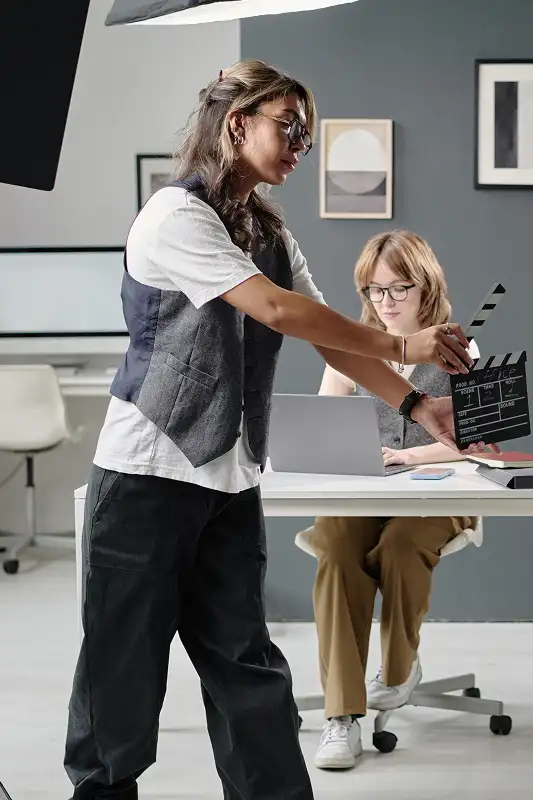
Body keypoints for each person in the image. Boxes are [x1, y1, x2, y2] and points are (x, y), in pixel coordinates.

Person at [64, 60, 491, 800]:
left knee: (248, 666)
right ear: (238, 124)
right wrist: (405, 345)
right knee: (123, 673)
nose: (301, 145)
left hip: (228, 478)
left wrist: (422, 407)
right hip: (145, 474)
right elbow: (278, 314)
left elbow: (330, 336)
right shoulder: (176, 216)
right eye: (288, 128)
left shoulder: (266, 228)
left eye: (308, 136)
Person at [306, 231, 478, 770]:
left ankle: (400, 670)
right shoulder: (352, 351)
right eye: (374, 290)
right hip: (363, 492)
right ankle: (341, 718)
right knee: (336, 546)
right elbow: (321, 430)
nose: (386, 301)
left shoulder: (459, 351)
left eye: (398, 287)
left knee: (401, 545)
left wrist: (412, 458)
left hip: (439, 495)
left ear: (425, 285)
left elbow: (474, 444)